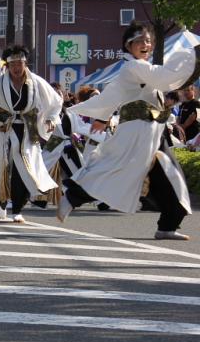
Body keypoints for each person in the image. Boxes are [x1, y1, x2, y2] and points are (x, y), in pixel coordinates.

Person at [58, 21, 200, 240]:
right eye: (140, 41)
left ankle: (168, 225)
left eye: (148, 41)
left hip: (154, 134)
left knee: (170, 177)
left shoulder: (139, 68)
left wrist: (103, 117)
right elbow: (165, 77)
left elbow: (115, 95)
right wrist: (193, 54)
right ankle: (73, 195)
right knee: (118, 170)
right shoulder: (134, 67)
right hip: (138, 134)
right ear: (128, 45)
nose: (146, 45)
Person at [0, 45, 62, 223]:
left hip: (27, 132)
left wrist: (51, 119)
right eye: (12, 64)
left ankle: (18, 209)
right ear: (7, 66)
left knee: (26, 172)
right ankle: (0, 201)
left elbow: (55, 101)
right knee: (0, 168)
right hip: (3, 131)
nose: (16, 68)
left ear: (25, 63)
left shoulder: (36, 82)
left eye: (19, 63)